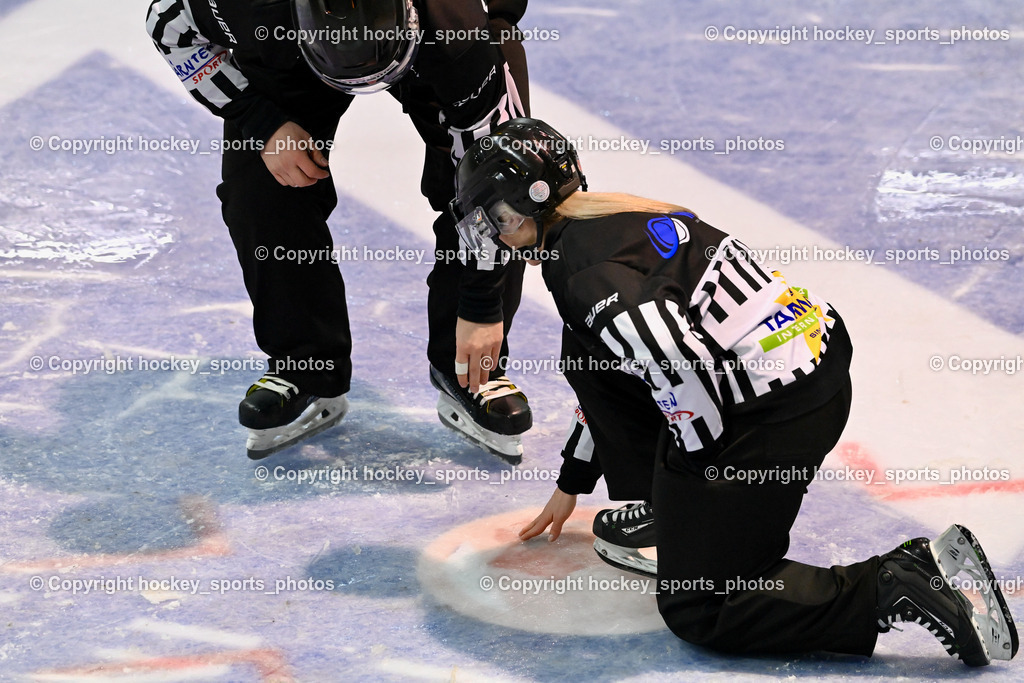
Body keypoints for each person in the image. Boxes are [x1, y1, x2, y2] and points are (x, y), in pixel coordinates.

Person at [450, 117, 1019, 665]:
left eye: (494, 215)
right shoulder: (615, 215)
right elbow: (611, 370)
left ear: (528, 200)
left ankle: (897, 583)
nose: (492, 230)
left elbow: (672, 359)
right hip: (811, 370)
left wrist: (697, 478)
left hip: (774, 412)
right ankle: (677, 509)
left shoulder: (580, 270)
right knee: (588, 354)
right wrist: (579, 480)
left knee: (702, 607)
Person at [145, 0, 533, 462]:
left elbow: (495, 188)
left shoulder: (459, 35)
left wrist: (482, 306)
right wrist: (261, 122)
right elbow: (170, 29)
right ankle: (306, 367)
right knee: (258, 193)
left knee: (504, 175)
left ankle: (468, 367)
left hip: (437, 46)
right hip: (287, 47)